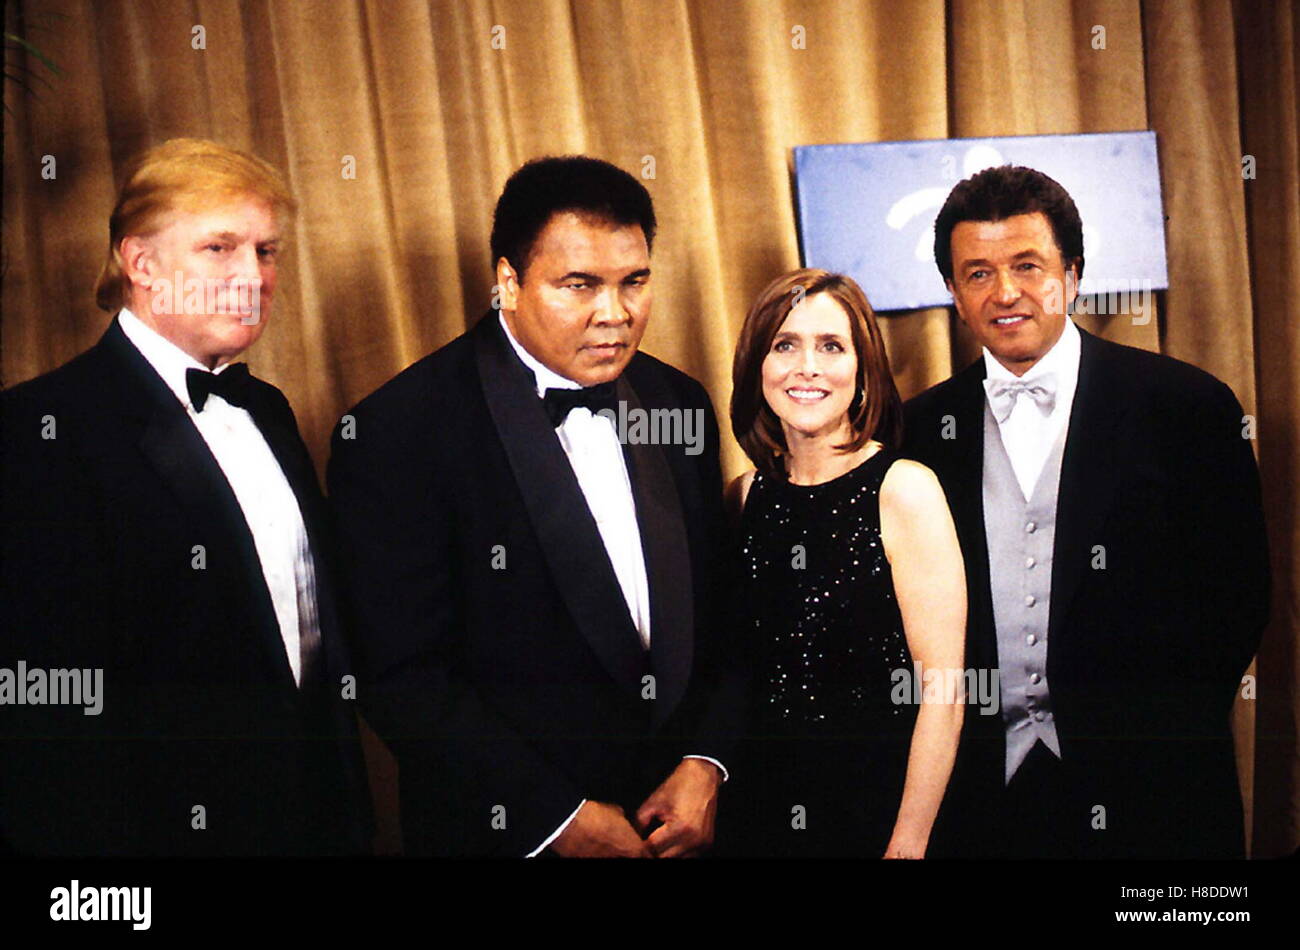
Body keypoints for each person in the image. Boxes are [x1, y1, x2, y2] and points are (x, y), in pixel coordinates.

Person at [327, 156, 743, 857]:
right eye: (579, 285)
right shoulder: (397, 431)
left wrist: (707, 764)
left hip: (685, 837)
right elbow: (401, 678)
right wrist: (555, 818)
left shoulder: (680, 402)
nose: (615, 313)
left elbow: (726, 620)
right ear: (508, 281)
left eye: (634, 281)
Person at [0, 138, 371, 856]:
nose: (254, 276)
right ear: (141, 264)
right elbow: (48, 717)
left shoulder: (266, 409)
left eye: (266, 252)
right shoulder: (39, 431)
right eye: (219, 248)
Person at [903, 164, 1270, 858]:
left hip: (1158, 796)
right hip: (978, 799)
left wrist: (1156, 735)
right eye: (977, 273)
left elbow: (1239, 600)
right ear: (951, 292)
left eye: (1028, 266)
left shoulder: (1187, 407)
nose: (1004, 292)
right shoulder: (916, 430)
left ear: (1073, 274)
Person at [722, 269, 966, 858]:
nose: (807, 366)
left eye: (831, 346)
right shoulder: (741, 497)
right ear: (759, 364)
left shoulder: (904, 489)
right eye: (785, 345)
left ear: (863, 371)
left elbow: (944, 690)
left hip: (879, 814)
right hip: (760, 818)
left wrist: (907, 842)